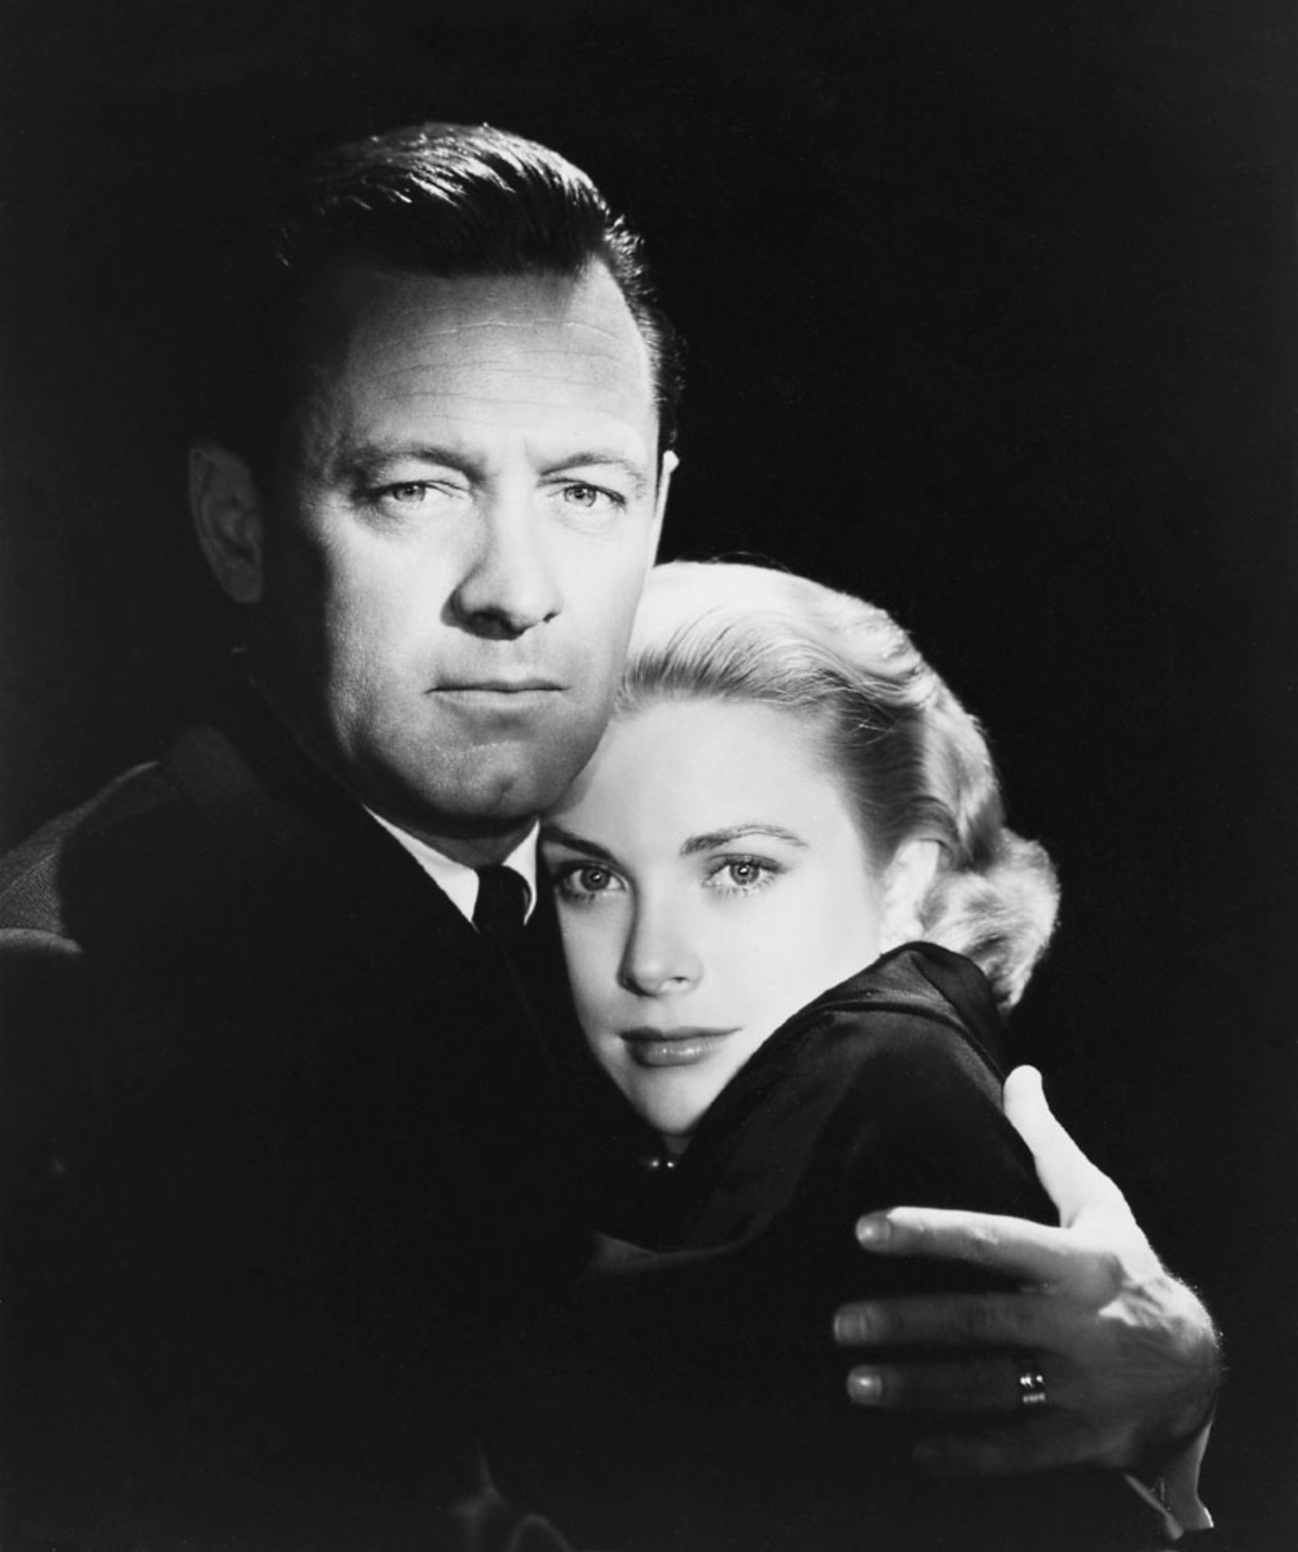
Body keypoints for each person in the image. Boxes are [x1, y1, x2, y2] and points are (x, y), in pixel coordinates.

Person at [0, 123, 1216, 1550]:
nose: (515, 591)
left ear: (656, 512)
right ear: (236, 526)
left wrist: (1158, 1404)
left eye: (583, 492)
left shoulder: (549, 910)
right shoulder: (83, 1007)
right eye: (414, 488)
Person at [481, 559, 1178, 1548]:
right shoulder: (681, 1154)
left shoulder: (890, 1086)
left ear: (903, 884)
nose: (650, 962)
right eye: (591, 879)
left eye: (739, 869)